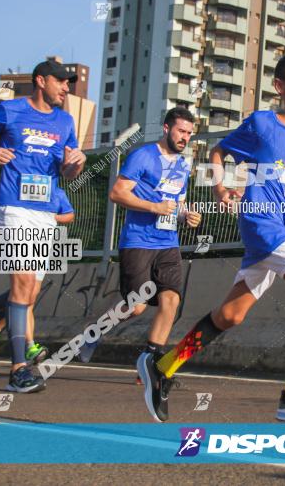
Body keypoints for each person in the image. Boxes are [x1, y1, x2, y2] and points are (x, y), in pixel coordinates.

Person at [141, 52, 285, 422]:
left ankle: (162, 368)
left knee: (231, 315)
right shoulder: (262, 124)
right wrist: (221, 188)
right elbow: (219, 152)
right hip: (261, 220)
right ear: (281, 86)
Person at [0, 59, 85, 393]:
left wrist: (75, 166)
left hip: (44, 212)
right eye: (61, 82)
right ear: (41, 81)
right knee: (23, 282)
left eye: (69, 83)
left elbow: (67, 173)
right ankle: (19, 368)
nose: (66, 88)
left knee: (28, 291)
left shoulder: (66, 121)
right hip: (13, 205)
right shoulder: (9, 111)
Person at [76, 109, 201, 420]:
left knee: (172, 300)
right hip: (138, 241)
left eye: (189, 133)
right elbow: (117, 193)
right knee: (137, 307)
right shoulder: (143, 156)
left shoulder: (184, 165)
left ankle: (152, 365)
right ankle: (93, 333)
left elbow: (178, 200)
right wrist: (153, 207)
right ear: (166, 127)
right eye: (180, 131)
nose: (184, 137)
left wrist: (187, 215)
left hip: (167, 242)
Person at [0, 186, 75, 364]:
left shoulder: (56, 191)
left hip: (43, 241)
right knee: (24, 293)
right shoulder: (20, 182)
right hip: (21, 234)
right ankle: (29, 347)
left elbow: (69, 214)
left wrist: (50, 217)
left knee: (29, 296)